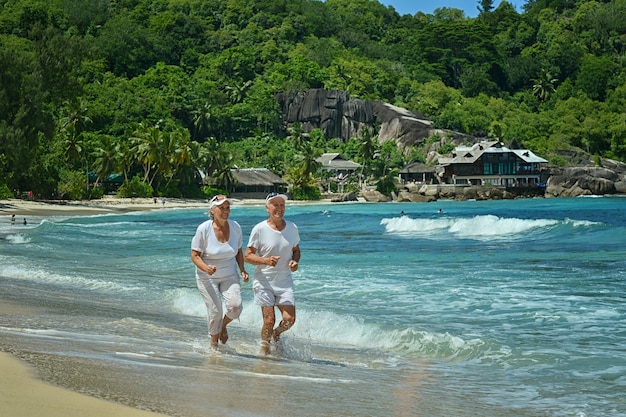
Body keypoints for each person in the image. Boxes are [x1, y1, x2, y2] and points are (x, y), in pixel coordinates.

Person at [245, 192, 300, 355]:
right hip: (264, 282)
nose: (279, 208)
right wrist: (265, 261)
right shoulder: (259, 229)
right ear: (267, 208)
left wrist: (295, 261)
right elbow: (247, 255)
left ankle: (276, 335)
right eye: (275, 205)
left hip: (284, 282)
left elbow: (296, 250)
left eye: (282, 205)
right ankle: (265, 348)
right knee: (269, 320)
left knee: (289, 320)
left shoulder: (292, 228)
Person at [191, 195, 249, 350]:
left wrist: (242, 270)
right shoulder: (204, 229)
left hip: (229, 274)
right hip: (206, 276)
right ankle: (213, 345)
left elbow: (238, 251)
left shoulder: (235, 227)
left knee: (235, 308)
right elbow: (194, 255)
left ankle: (222, 326)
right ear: (212, 210)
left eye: (227, 208)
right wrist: (206, 268)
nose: (225, 211)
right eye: (221, 208)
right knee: (215, 311)